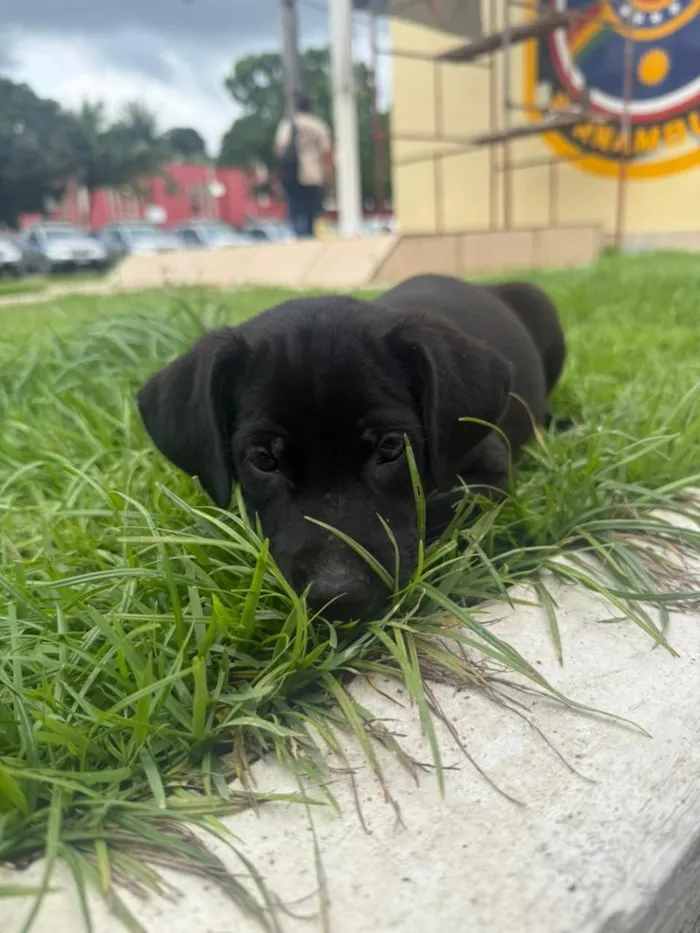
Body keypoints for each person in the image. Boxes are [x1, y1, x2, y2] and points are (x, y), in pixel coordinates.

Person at [274, 93, 333, 239]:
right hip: (314, 176)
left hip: (293, 176)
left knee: (295, 212)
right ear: (311, 108)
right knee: (313, 214)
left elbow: (279, 149)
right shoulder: (319, 126)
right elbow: (327, 153)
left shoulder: (288, 124)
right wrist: (329, 177)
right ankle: (311, 240)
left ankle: (299, 240)